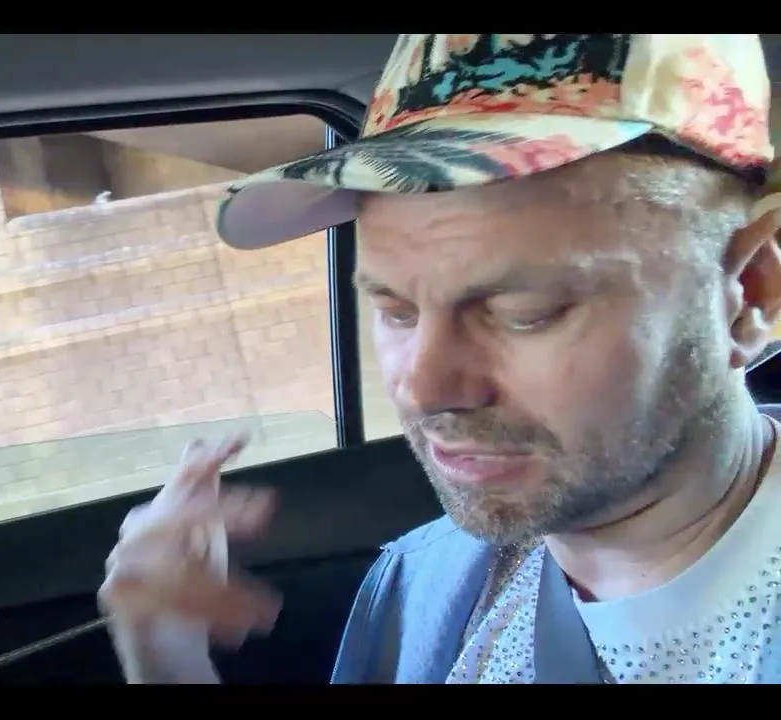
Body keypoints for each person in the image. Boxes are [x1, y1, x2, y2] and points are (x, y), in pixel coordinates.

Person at [97, 34, 781, 684]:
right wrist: (164, 655)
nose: (424, 389)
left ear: (749, 293)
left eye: (525, 313)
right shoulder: (421, 586)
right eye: (397, 311)